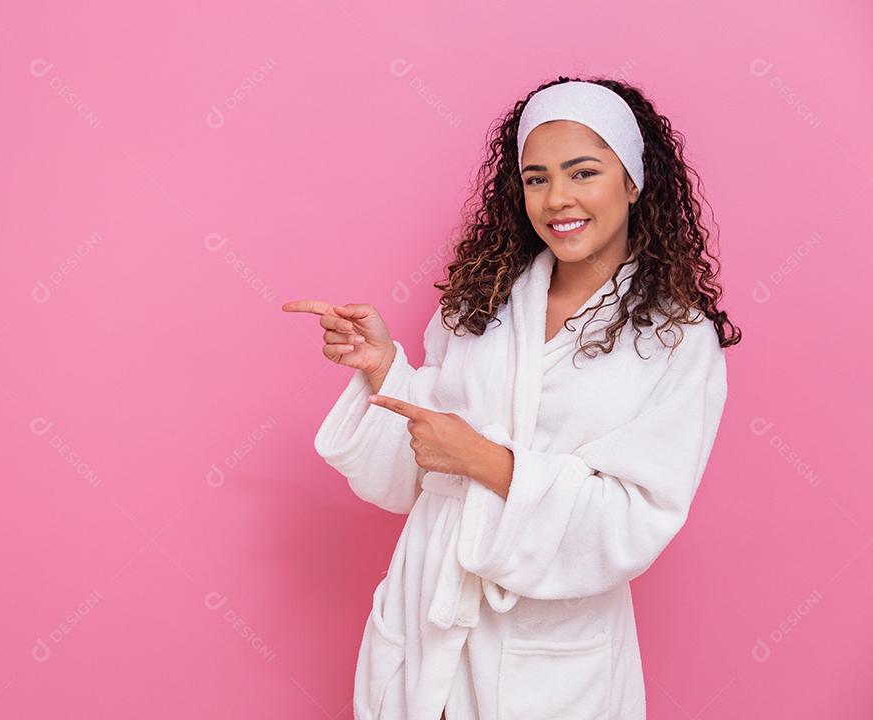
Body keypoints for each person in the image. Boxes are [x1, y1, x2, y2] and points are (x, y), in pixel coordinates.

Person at [283, 76, 741, 720]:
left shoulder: (675, 339)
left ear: (634, 181)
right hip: (426, 620)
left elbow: (635, 518)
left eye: (584, 173)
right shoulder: (482, 302)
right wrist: (384, 368)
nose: (557, 199)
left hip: (549, 658)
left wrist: (482, 460)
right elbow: (424, 461)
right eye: (536, 178)